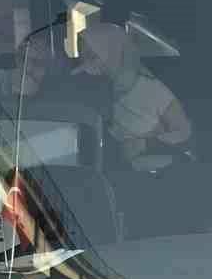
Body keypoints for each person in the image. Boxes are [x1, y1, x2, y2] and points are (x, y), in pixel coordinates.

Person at [74, 22, 193, 172]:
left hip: (160, 177)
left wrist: (145, 144)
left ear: (113, 50)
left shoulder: (151, 89)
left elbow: (185, 134)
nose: (86, 64)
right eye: (82, 56)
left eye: (92, 56)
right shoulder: (98, 90)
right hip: (117, 175)